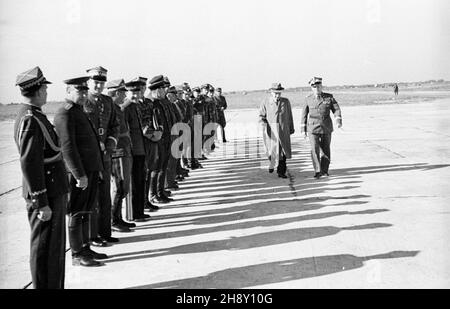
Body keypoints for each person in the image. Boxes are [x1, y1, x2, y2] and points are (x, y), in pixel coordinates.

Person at [14, 67, 69, 288]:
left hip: (52, 189)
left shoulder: (34, 116)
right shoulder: (30, 119)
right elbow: (30, 163)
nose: (47, 92)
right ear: (36, 91)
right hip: (46, 192)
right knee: (44, 248)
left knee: (53, 248)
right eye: (45, 88)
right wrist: (41, 202)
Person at [54, 76, 106, 267]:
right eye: (79, 91)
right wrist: (79, 175)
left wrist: (97, 169)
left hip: (90, 170)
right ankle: (77, 253)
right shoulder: (64, 113)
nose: (84, 95)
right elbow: (67, 148)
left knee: (86, 209)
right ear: (68, 91)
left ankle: (85, 247)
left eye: (85, 91)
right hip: (79, 174)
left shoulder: (78, 111)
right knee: (77, 211)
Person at [84, 66, 120, 246]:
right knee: (92, 198)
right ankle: (92, 236)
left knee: (105, 195)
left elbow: (115, 124)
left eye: (101, 82)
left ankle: (105, 232)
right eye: (96, 82)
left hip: (105, 155)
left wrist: (111, 143)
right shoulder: (84, 101)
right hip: (90, 158)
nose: (98, 86)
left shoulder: (107, 101)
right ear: (89, 82)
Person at [106, 79, 135, 232]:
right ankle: (113, 219)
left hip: (123, 149)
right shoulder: (111, 109)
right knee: (119, 186)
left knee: (123, 186)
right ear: (117, 93)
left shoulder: (116, 108)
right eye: (123, 92)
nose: (125, 95)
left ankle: (117, 218)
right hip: (117, 152)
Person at [300, 77, 342, 179]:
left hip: (326, 127)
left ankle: (325, 170)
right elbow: (304, 115)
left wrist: (338, 120)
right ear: (311, 88)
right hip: (313, 128)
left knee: (326, 149)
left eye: (318, 86)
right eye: (314, 87)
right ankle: (317, 171)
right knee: (314, 149)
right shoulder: (308, 99)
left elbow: (336, 109)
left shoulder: (329, 97)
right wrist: (303, 130)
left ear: (321, 86)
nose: (316, 89)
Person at [122, 80, 151, 222]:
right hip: (133, 150)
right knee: (134, 183)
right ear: (127, 93)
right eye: (133, 92)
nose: (136, 95)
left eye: (138, 92)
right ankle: (132, 213)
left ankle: (139, 211)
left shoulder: (135, 106)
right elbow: (126, 132)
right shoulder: (126, 108)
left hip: (140, 149)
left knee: (140, 181)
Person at [146, 75, 174, 204]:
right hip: (157, 141)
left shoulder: (161, 102)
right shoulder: (151, 103)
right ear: (156, 90)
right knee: (156, 167)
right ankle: (153, 194)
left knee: (163, 166)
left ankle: (160, 191)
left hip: (166, 138)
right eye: (163, 89)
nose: (165, 91)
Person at [259, 83, 295, 179]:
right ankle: (272, 163)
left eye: (279, 93)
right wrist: (263, 123)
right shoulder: (265, 102)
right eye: (275, 93)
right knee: (272, 151)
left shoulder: (286, 102)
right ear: (271, 92)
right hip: (271, 131)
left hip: (283, 130)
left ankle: (281, 172)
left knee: (282, 152)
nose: (277, 95)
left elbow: (290, 116)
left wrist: (291, 128)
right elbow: (261, 116)